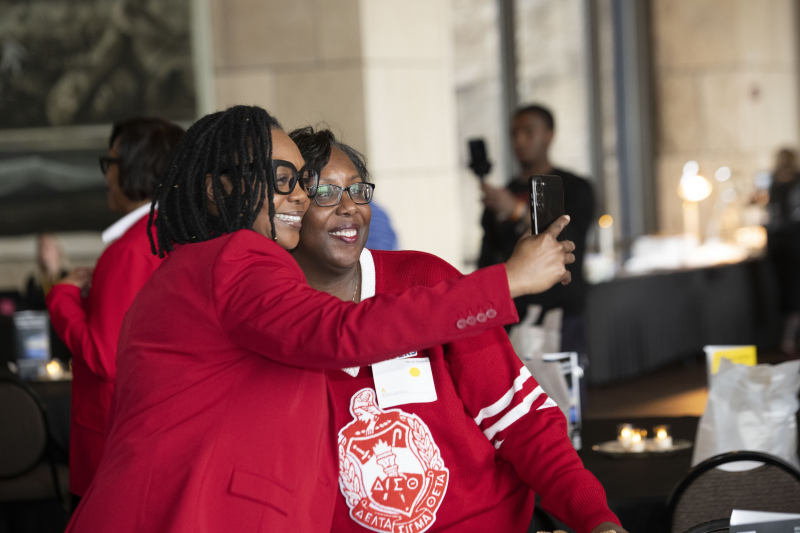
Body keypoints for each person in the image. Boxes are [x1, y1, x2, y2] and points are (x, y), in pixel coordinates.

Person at [64, 105, 576, 533]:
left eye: (300, 184)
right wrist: (508, 279)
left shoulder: (198, 268)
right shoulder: (237, 258)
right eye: (285, 182)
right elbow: (340, 332)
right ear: (220, 191)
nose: (300, 197)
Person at [289, 126, 626, 533]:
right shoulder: (271, 318)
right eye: (325, 193)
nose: (349, 208)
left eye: (359, 191)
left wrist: (598, 522)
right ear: (289, 209)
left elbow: (522, 422)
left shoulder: (424, 279)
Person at [46, 117, 184, 504]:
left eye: (111, 164)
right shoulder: (171, 232)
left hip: (115, 439)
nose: (107, 176)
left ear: (136, 168)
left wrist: (63, 296)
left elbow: (105, 358)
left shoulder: (131, 249)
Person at [479, 104, 595, 354]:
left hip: (560, 312)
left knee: (564, 389)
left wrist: (517, 212)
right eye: (514, 133)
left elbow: (570, 238)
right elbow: (487, 258)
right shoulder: (502, 195)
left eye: (528, 132)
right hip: (511, 315)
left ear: (549, 135)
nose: (519, 140)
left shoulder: (575, 187)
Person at [766, 148, 800, 354]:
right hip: (791, 241)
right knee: (794, 291)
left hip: (779, 241)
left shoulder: (773, 182)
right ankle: (789, 338)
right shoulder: (786, 181)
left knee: (789, 291)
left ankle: (787, 338)